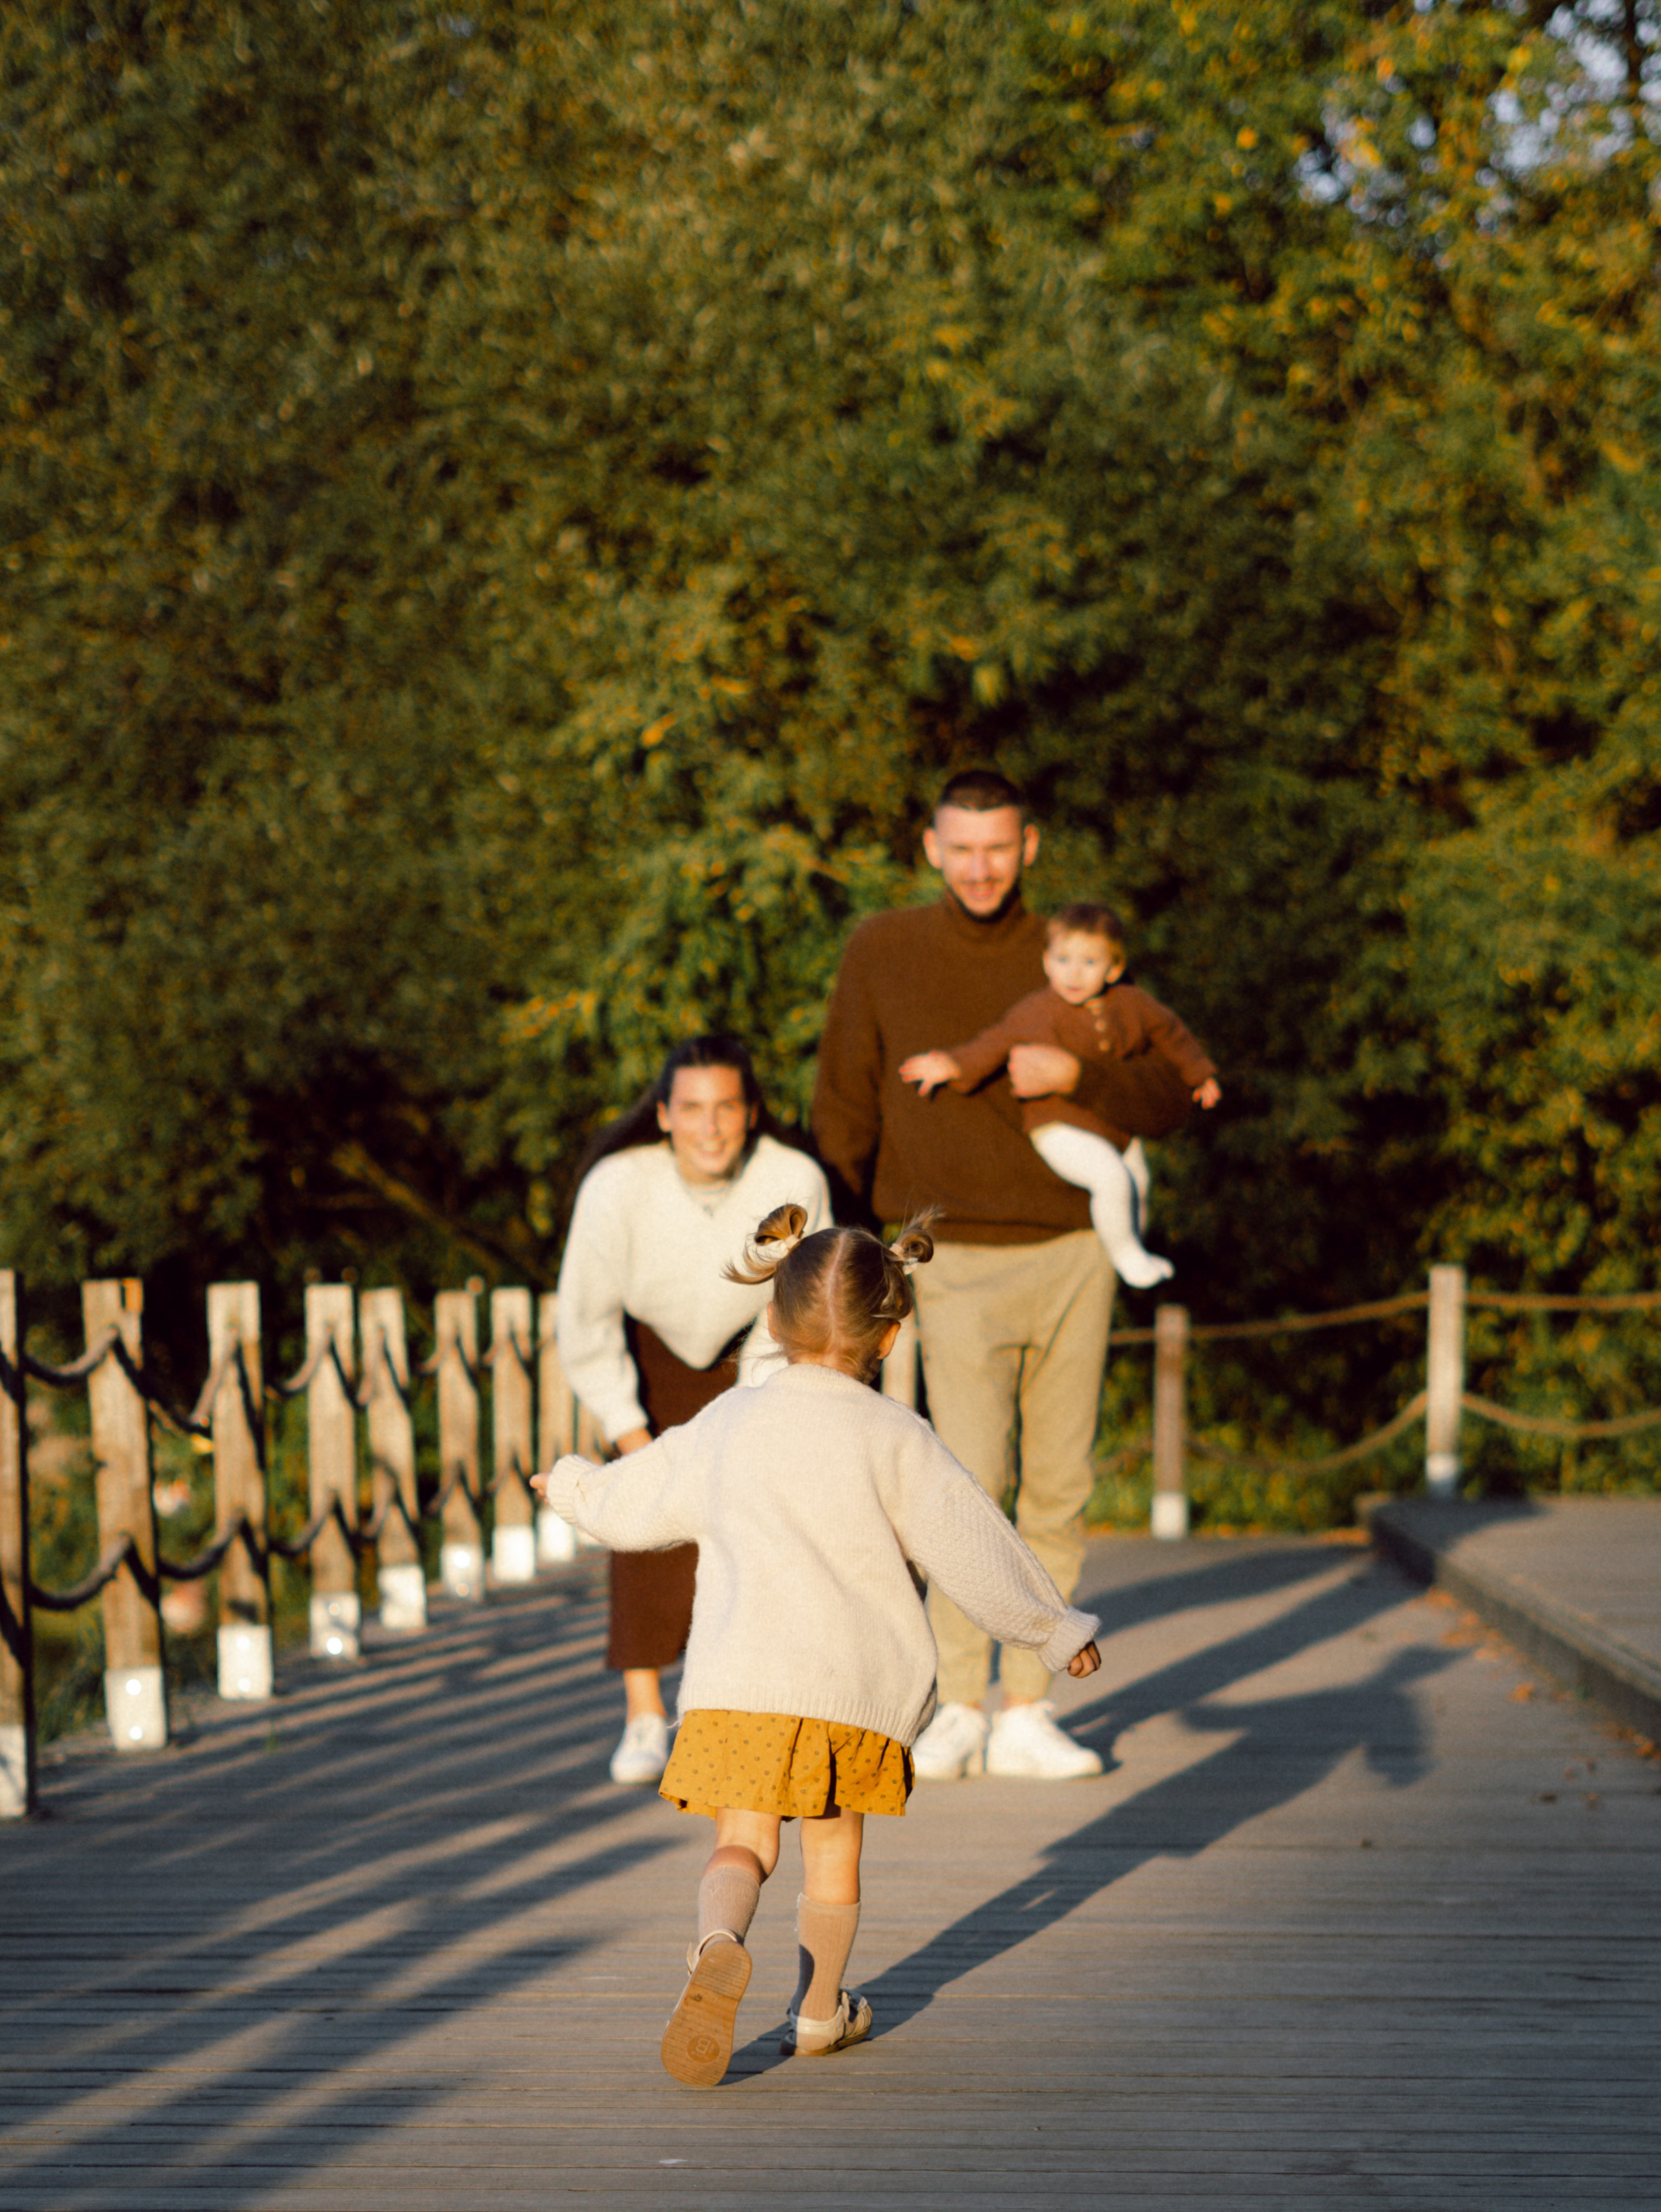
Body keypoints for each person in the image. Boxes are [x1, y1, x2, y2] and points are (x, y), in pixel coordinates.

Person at [532, 1204, 1102, 2089]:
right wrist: (1053, 1629)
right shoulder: (897, 1438)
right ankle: (818, 2011)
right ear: (893, 1332)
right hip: (848, 1697)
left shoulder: (730, 1421)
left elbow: (635, 1500)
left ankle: (719, 1943)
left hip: (736, 1688)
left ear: (769, 1318)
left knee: (742, 1846)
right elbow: (973, 1545)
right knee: (831, 1853)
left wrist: (570, 1486)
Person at [813, 767, 1135, 1781]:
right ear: (930, 846)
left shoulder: (1074, 954)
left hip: (1076, 1244)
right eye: (963, 846)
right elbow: (844, 1099)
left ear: (1030, 845)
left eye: (999, 846)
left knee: (1060, 1482)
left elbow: (1161, 1082)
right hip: (946, 1256)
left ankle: (1029, 1707)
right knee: (962, 1486)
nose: (981, 865)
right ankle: (957, 1701)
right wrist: (843, 1249)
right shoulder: (884, 947)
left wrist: (1084, 1076)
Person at [555, 1035, 830, 1786]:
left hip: (759, 1360)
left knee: (760, 1536)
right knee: (649, 1524)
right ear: (665, 1114)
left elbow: (804, 1302)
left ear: (751, 1113)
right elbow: (583, 1315)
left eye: (727, 1108)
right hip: (648, 1367)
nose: (710, 1127)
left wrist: (759, 1414)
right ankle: (645, 1714)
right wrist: (628, 1427)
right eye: (693, 1109)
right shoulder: (616, 1183)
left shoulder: (792, 1175)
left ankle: (740, 1709)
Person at [899, 900, 1221, 1290]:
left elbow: (1172, 1034)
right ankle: (1127, 1257)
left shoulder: (1132, 1004)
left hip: (1112, 1126)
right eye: (1063, 959)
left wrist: (1200, 1074)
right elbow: (992, 1044)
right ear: (1047, 962)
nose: (1074, 972)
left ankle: (1131, 1244)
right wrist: (950, 1065)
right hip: (1057, 1127)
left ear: (1114, 969)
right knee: (1111, 1177)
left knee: (1137, 1177)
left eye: (1089, 963)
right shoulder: (1035, 1011)